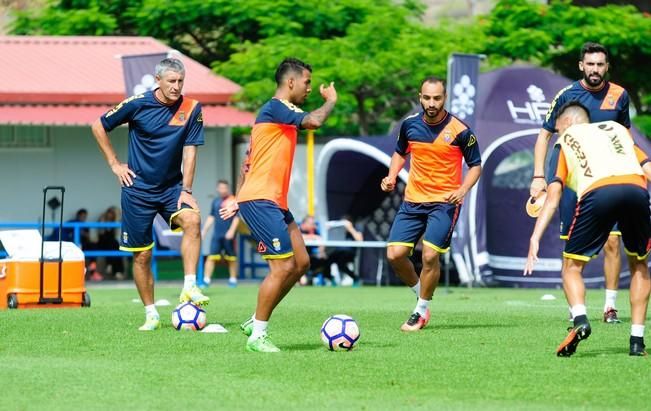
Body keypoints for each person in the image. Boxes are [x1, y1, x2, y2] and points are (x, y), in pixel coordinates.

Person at [220, 57, 337, 352]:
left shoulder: (277, 114)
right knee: (283, 266)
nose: (310, 88)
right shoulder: (277, 107)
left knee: (301, 263)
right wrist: (331, 101)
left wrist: (237, 196)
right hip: (261, 200)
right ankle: (258, 335)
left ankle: (253, 321)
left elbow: (247, 161)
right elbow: (315, 121)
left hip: (270, 200)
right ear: (291, 82)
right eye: (307, 82)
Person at [525, 102, 651, 357]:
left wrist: (535, 237)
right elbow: (647, 168)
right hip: (636, 190)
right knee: (640, 265)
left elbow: (554, 194)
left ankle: (580, 319)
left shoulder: (565, 141)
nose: (558, 135)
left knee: (571, 267)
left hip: (598, 192)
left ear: (568, 124)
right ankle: (637, 341)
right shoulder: (617, 129)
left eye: (559, 129)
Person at [91, 57, 208, 331]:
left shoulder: (192, 108)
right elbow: (98, 126)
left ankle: (190, 285)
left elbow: (191, 151)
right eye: (171, 81)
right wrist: (114, 164)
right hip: (137, 191)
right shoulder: (137, 104)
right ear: (158, 80)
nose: (176, 87)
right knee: (142, 256)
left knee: (192, 220)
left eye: (180, 81)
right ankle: (151, 313)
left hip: (171, 190)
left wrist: (187, 190)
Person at [529, 42, 632, 323]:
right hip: (573, 178)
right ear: (581, 66)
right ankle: (577, 308)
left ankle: (610, 307)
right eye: (590, 64)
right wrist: (539, 176)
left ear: (607, 66)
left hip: (608, 177)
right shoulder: (566, 95)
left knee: (613, 243)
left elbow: (624, 139)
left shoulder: (620, 96)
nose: (595, 69)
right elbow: (544, 136)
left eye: (600, 64)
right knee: (572, 247)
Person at [381, 77, 482, 331]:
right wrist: (392, 176)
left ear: (444, 98)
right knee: (394, 254)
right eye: (427, 98)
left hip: (444, 202)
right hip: (413, 201)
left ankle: (421, 311)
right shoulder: (409, 126)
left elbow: (475, 166)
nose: (431, 103)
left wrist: (462, 189)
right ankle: (421, 293)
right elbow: (399, 153)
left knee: (429, 255)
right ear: (420, 97)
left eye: (437, 98)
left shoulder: (461, 131)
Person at [201, 180, 240, 288]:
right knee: (211, 257)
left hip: (229, 236)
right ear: (217, 189)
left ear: (228, 188)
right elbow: (211, 216)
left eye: (225, 188)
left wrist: (232, 231)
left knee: (231, 258)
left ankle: (233, 280)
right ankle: (206, 280)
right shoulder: (215, 201)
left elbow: (237, 218)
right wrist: (204, 231)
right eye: (221, 188)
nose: (223, 190)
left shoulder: (233, 201)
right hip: (217, 235)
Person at [97, 206, 125, 280]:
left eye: (112, 213)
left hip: (112, 244)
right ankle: (115, 270)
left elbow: (116, 234)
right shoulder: (102, 220)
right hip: (103, 242)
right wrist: (103, 220)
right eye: (109, 213)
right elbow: (101, 233)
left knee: (117, 249)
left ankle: (114, 268)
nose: (110, 215)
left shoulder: (114, 222)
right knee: (111, 243)